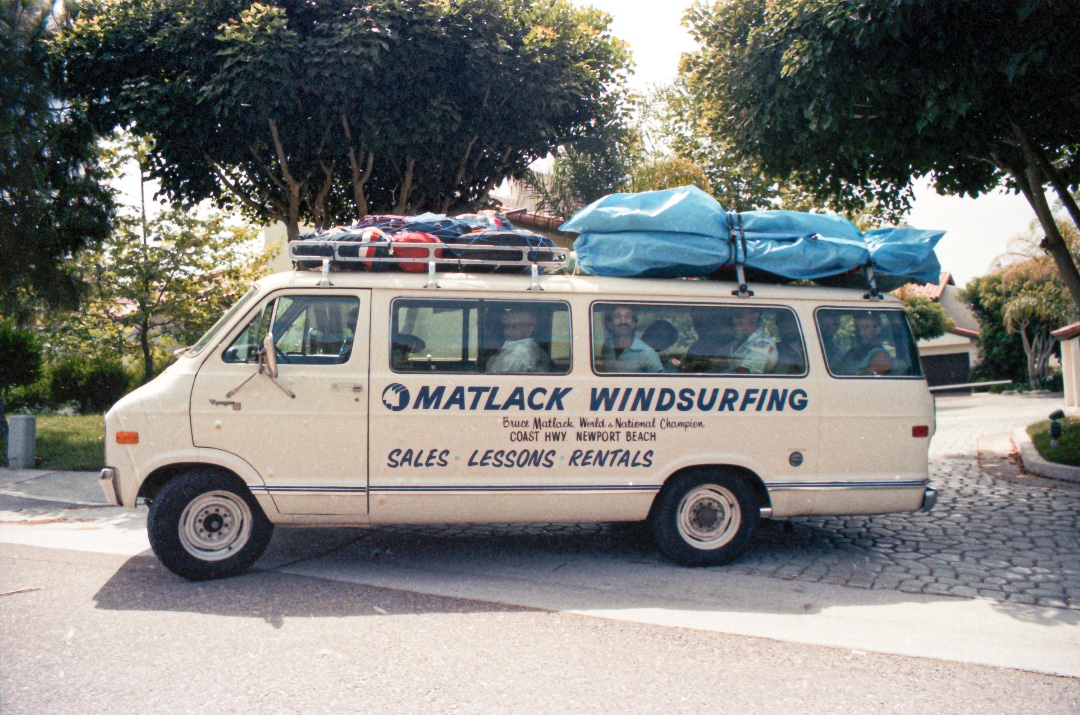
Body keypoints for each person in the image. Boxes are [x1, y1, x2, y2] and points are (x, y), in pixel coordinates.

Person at [598, 305, 662, 373]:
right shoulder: (607, 344)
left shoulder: (648, 353)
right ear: (609, 324)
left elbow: (660, 382)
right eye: (617, 316)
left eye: (627, 317)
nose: (623, 321)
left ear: (634, 324)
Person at [486, 307, 551, 373]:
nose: (507, 332)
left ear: (529, 329)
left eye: (514, 327)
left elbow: (495, 377)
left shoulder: (519, 352)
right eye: (506, 326)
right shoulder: (533, 348)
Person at [680, 307, 737, 373]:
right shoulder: (696, 346)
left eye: (702, 323)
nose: (699, 328)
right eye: (696, 323)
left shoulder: (733, 347)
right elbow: (685, 369)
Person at [728, 309, 778, 374]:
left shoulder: (763, 344)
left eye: (739, 315)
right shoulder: (742, 339)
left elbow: (743, 375)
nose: (734, 320)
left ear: (755, 317)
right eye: (732, 317)